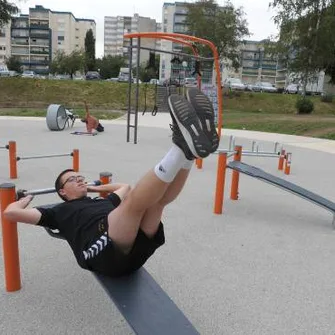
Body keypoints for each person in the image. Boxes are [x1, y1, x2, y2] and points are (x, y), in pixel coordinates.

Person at [4, 88, 219, 278]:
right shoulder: (57, 212)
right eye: (72, 179)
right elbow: (10, 213)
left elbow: (123, 187)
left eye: (80, 177)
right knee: (134, 204)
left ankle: (188, 155)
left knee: (156, 203)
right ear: (62, 191)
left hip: (135, 250)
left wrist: (93, 187)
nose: (79, 180)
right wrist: (27, 199)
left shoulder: (100, 202)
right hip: (103, 253)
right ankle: (180, 147)